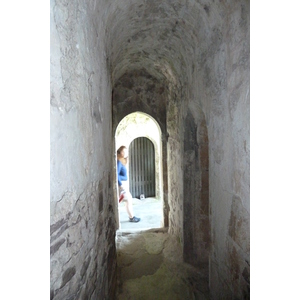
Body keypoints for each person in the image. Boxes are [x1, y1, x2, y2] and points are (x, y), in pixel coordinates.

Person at [117, 145, 141, 223]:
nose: (125, 153)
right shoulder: (119, 162)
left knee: (128, 200)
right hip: (122, 184)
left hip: (123, 183)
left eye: (126, 151)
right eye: (123, 151)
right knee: (129, 199)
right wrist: (121, 185)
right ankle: (132, 217)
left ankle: (131, 217)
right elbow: (116, 174)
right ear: (120, 152)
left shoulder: (121, 160)